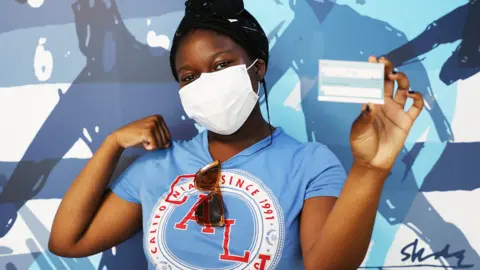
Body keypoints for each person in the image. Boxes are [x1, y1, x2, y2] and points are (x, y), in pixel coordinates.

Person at [48, 0, 424, 269]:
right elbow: (68, 241)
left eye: (222, 65)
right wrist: (111, 145)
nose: (205, 83)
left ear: (258, 69)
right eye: (189, 76)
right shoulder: (159, 165)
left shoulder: (310, 163)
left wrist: (370, 170)